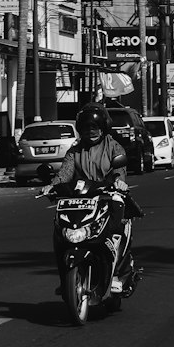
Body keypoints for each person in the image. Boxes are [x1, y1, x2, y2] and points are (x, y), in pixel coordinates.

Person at [43, 103, 139, 293]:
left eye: (94, 127)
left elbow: (119, 169)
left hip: (109, 196)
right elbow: (65, 173)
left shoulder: (114, 147)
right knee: (60, 231)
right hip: (81, 199)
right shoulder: (74, 151)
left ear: (103, 128)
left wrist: (119, 182)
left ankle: (119, 273)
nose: (91, 132)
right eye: (86, 128)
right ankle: (65, 279)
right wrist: (52, 186)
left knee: (117, 226)